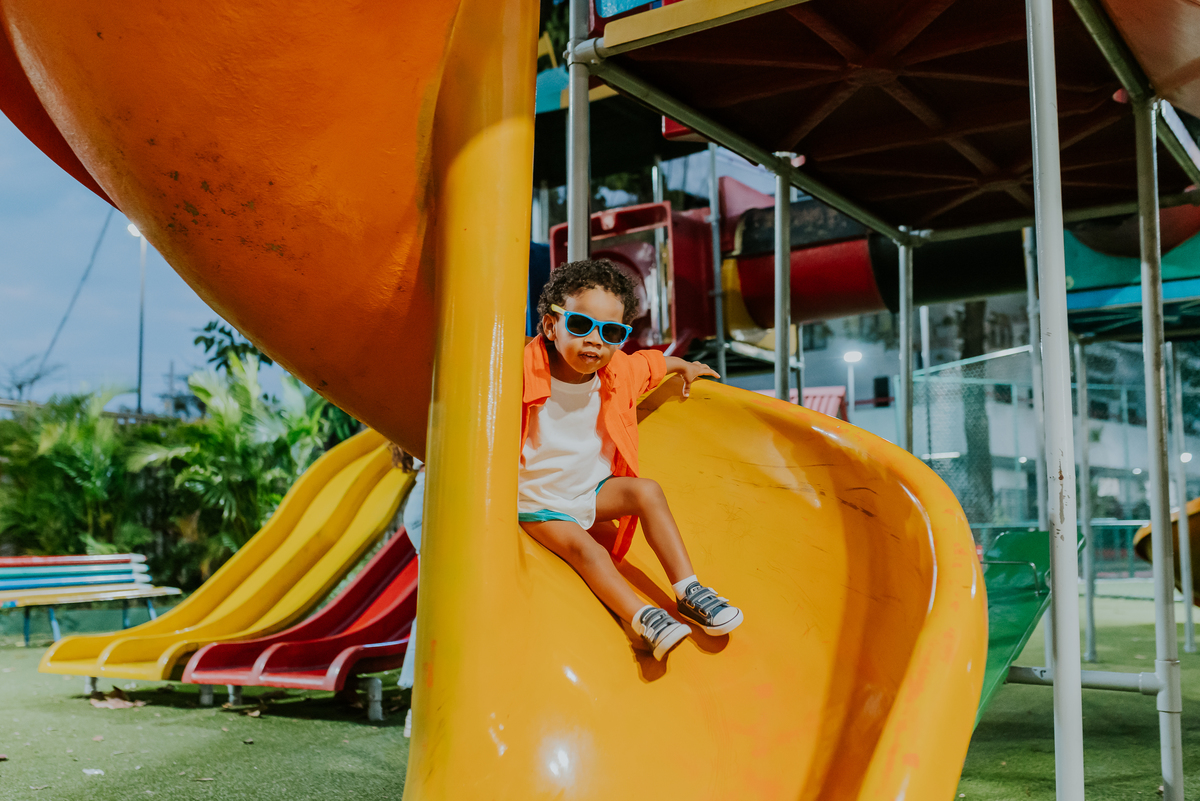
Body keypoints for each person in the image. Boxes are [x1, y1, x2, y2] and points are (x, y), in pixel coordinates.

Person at [519, 258, 743, 661]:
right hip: (538, 501)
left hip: (590, 489)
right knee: (588, 551)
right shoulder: (517, 371)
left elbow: (654, 364)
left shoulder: (618, 371)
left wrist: (687, 367)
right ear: (551, 326)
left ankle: (689, 590)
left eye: (611, 332)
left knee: (647, 492)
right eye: (581, 325)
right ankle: (642, 616)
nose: (595, 341)